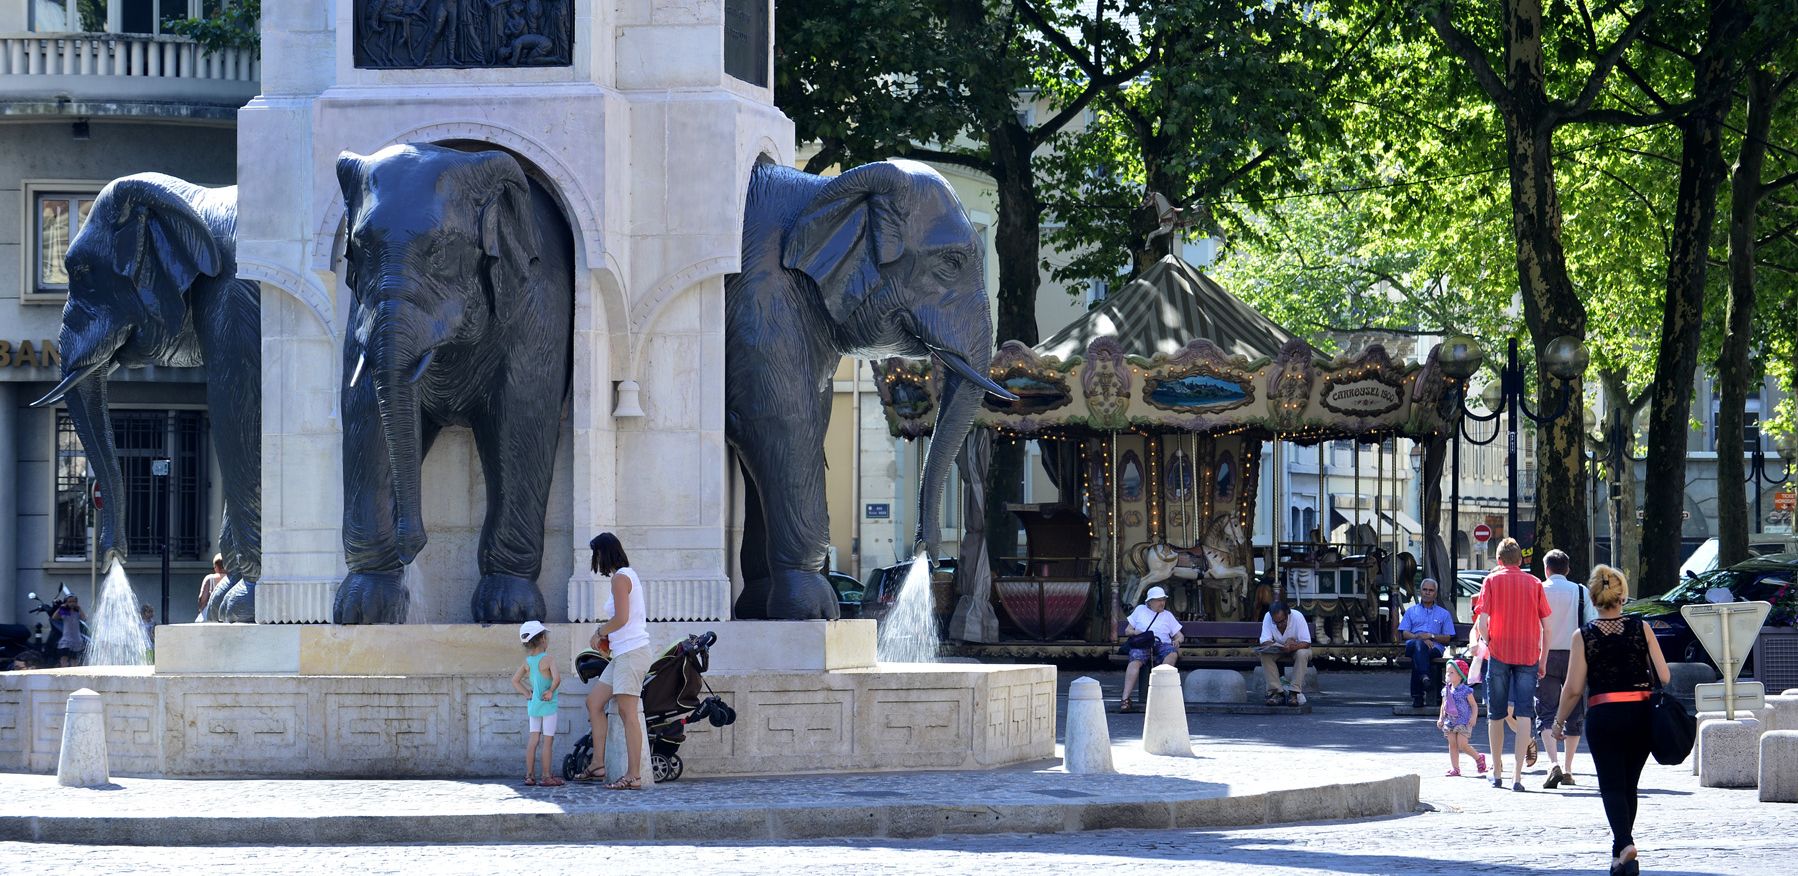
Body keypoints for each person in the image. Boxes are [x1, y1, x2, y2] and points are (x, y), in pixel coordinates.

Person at [1552, 564, 1669, 876]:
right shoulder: (1640, 628)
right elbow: (1665, 675)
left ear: (1593, 597)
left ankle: (1625, 843)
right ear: (1622, 595)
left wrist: (1558, 722)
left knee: (1611, 785)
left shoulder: (1584, 635)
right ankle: (1620, 856)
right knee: (1629, 784)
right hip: (1641, 715)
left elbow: (1574, 688)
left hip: (1604, 715)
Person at [1473, 537, 1550, 791]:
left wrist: (1490, 641)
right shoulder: (1535, 583)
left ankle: (1497, 772)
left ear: (1499, 560)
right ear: (1520, 560)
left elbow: (1482, 621)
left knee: (1496, 714)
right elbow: (1546, 627)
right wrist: (1543, 658)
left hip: (1500, 653)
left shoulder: (1492, 581)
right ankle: (1518, 775)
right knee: (1525, 712)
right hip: (1528, 653)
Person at [574, 532, 650, 790]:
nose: (595, 561)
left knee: (628, 713)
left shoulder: (620, 577)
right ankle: (598, 763)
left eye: (595, 555)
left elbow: (622, 619)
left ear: (604, 553)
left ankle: (634, 775)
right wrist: (608, 638)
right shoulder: (627, 575)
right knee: (593, 702)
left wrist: (599, 633)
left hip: (632, 653)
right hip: (622, 654)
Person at [1536, 548, 1596, 789]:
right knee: (1574, 713)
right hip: (1575, 657)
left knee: (1546, 710)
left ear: (1546, 569)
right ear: (1568, 569)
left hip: (1546, 655)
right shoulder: (1581, 591)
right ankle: (1569, 769)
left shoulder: (1539, 589)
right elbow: (1591, 624)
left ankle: (1553, 763)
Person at [510, 620, 564, 787]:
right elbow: (557, 679)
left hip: (534, 705)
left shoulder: (528, 662)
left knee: (533, 740)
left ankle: (529, 775)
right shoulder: (548, 659)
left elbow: (515, 680)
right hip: (548, 705)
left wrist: (528, 693)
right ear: (542, 639)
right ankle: (546, 776)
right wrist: (550, 691)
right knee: (547, 741)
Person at [1118, 585, 1183, 712]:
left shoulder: (1168, 615)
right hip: (1143, 642)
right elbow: (1128, 631)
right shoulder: (1140, 610)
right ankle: (1125, 699)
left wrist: (1177, 640)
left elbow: (1180, 635)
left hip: (1161, 644)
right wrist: (1137, 632)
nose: (1162, 603)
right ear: (1150, 602)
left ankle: (1160, 692)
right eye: (1159, 600)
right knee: (1135, 660)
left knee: (1172, 654)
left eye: (1163, 600)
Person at [1400, 577, 1456, 707]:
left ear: (1435, 594)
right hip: (1413, 644)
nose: (1427, 592)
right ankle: (1425, 677)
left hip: (1434, 648)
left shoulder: (1444, 614)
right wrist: (1420, 637)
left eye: (1431, 590)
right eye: (1425, 590)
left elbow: (1447, 637)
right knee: (1419, 646)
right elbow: (1404, 633)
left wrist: (1431, 636)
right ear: (1420, 592)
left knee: (1418, 657)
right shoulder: (1411, 611)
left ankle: (1418, 696)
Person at [1257, 601, 1311, 706]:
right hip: (1278, 648)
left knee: (1302, 654)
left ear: (1287, 615)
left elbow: (1306, 642)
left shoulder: (1297, 617)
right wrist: (1275, 645)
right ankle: (1276, 692)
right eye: (1275, 622)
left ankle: (1294, 692)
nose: (1279, 625)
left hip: (1296, 647)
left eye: (1282, 621)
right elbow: (1264, 641)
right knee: (1265, 655)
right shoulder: (1268, 617)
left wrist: (1292, 646)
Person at [1438, 658, 1486, 776]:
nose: (1448, 675)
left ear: (1460, 675)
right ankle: (1455, 768)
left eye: (1452, 672)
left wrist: (1474, 717)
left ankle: (1478, 758)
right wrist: (1441, 718)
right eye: (1447, 672)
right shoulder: (1446, 690)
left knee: (1462, 744)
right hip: (1450, 721)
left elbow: (1474, 705)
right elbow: (1444, 705)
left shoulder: (1466, 691)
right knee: (1452, 744)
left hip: (1464, 721)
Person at [54, 596, 87, 668]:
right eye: (70, 602)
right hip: (66, 639)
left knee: (74, 659)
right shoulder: (65, 612)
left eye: (74, 602)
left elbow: (84, 618)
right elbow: (55, 617)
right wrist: (60, 608)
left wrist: (80, 608)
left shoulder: (77, 612)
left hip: (76, 639)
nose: (72, 603)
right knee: (64, 658)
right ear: (66, 603)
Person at [197, 554, 228, 622]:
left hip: (211, 612)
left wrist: (200, 610)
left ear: (216, 567)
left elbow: (202, 598)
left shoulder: (210, 578)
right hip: (226, 614)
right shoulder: (232, 578)